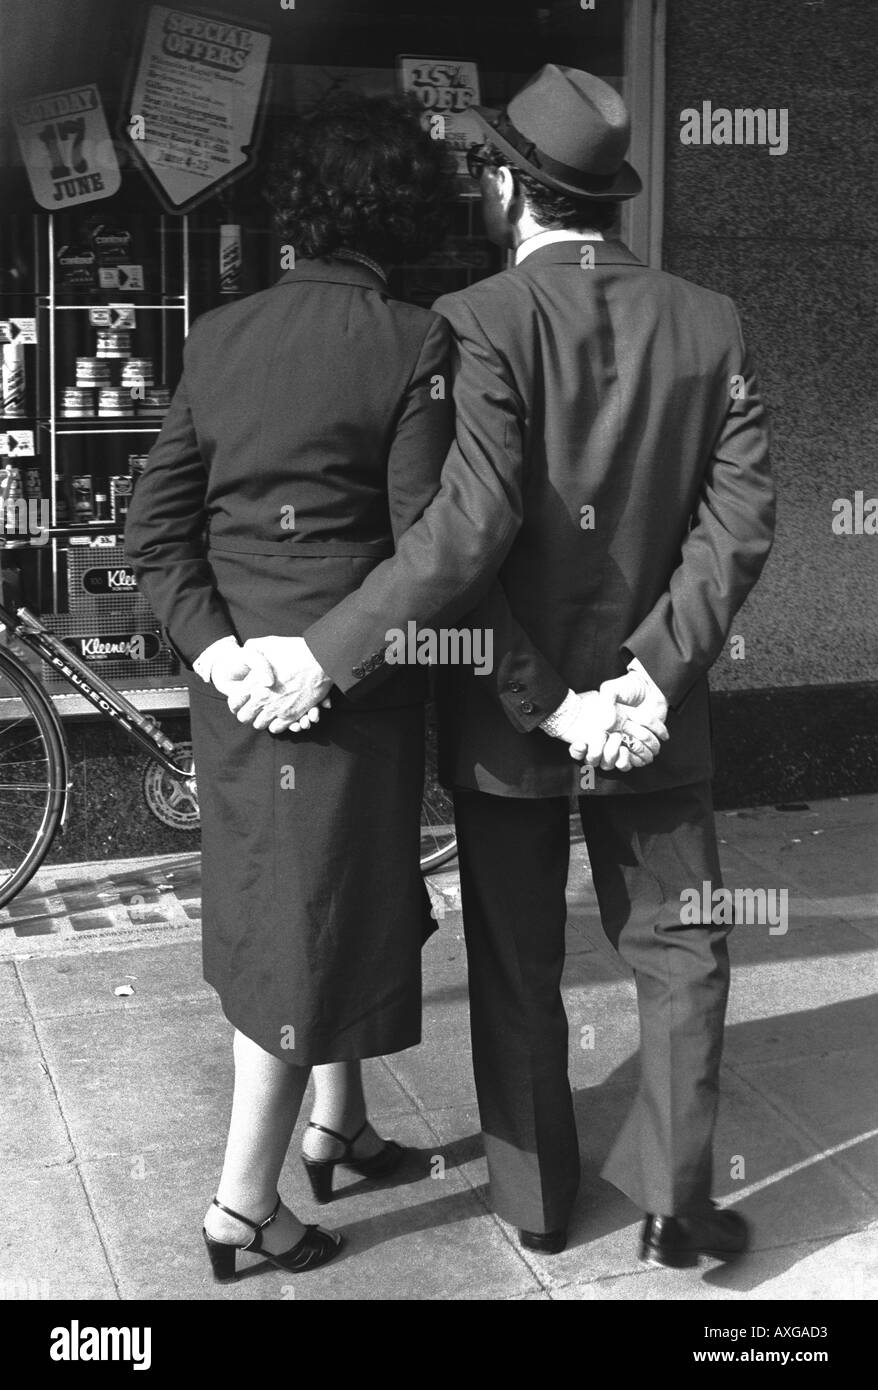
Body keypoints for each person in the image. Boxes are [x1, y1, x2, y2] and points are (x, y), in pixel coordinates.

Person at [235, 66, 776, 1267]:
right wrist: (642, 680)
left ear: (502, 185)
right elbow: (733, 525)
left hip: (508, 710)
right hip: (656, 715)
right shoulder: (710, 319)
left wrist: (333, 657)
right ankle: (674, 1205)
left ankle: (535, 1197)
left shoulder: (473, 322)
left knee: (516, 959)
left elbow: (459, 539)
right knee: (681, 951)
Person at [125, 94, 466, 1281]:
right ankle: (239, 1213)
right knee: (308, 932)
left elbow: (152, 531)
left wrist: (224, 657)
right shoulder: (414, 337)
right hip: (344, 693)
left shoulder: (221, 336)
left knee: (301, 913)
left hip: (237, 695)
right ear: (400, 208)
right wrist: (320, 662)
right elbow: (427, 548)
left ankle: (339, 1128)